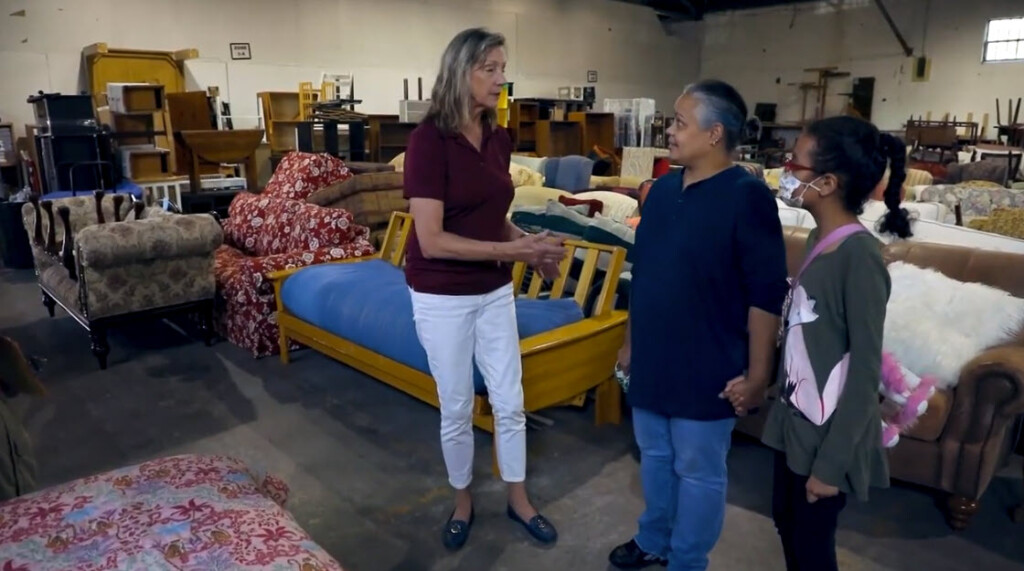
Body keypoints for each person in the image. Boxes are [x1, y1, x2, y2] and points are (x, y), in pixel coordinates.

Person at [608, 80, 789, 571]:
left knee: (699, 469)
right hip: (653, 357)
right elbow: (643, 275)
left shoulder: (747, 197)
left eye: (680, 122)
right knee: (656, 457)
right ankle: (653, 541)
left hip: (709, 362)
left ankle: (688, 560)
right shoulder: (662, 192)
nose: (670, 131)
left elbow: (765, 295)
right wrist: (629, 342)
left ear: (714, 134)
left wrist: (757, 375)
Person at [402, 27, 566, 551]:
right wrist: (512, 252)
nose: (500, 78)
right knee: (455, 406)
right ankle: (463, 500)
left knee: (509, 401)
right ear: (461, 72)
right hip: (442, 294)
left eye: (502, 68)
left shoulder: (498, 137)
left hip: (494, 290)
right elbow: (431, 239)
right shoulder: (429, 140)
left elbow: (495, 217)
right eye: (489, 69)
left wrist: (529, 245)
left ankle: (518, 498)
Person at [753, 115, 912, 571]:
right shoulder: (819, 239)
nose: (784, 171)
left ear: (826, 182)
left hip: (827, 439)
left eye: (793, 162)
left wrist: (831, 465)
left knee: (811, 546)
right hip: (795, 424)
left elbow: (863, 374)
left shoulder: (860, 258)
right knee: (787, 521)